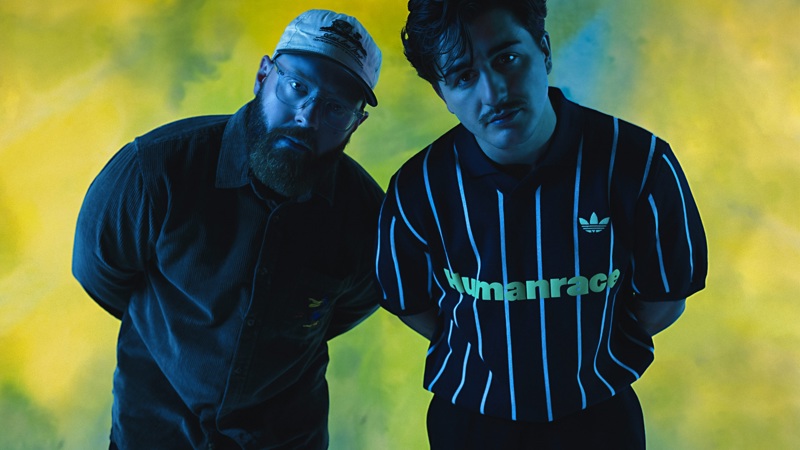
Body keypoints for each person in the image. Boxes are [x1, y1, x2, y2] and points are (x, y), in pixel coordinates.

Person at [375, 0, 708, 448]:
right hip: (471, 422)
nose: (493, 93)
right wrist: (494, 351)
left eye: (507, 58)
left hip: (599, 418)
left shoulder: (640, 164)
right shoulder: (418, 189)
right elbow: (409, 301)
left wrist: (583, 353)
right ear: (443, 94)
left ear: (544, 50)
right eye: (463, 76)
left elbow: (665, 299)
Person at [72, 9, 384, 449]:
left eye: (335, 107)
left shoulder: (366, 217)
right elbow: (98, 271)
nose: (308, 116)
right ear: (262, 76)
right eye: (297, 87)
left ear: (356, 124)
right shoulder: (156, 170)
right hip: (154, 432)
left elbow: (354, 304)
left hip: (286, 438)